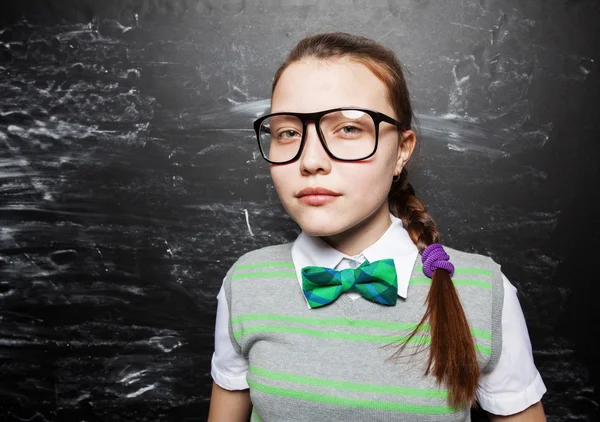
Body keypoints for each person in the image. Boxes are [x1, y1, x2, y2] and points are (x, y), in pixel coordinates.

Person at [207, 32, 547, 421]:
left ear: (402, 150)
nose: (311, 160)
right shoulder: (246, 282)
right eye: (288, 132)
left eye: (349, 128)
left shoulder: (483, 291)